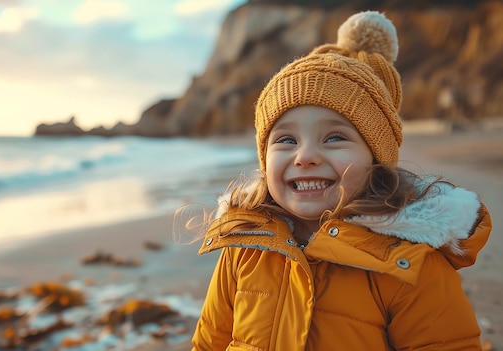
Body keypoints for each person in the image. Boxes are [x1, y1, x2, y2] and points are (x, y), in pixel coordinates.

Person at [188, 11, 492, 350]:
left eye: (334, 138)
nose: (305, 156)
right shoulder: (245, 247)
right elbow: (209, 343)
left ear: (376, 159)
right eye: (286, 140)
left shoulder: (407, 262)